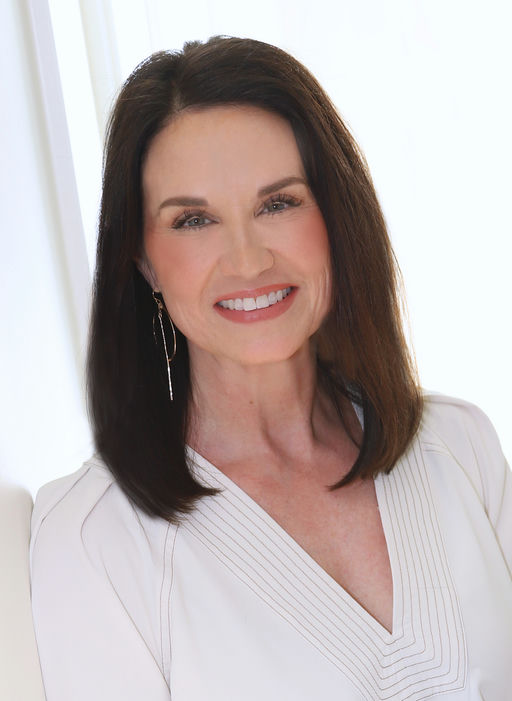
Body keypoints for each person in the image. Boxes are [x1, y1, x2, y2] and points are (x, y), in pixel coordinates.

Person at [30, 36, 512, 700]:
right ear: (143, 261)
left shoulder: (459, 445)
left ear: (336, 218)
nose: (247, 260)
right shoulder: (95, 541)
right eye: (193, 219)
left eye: (278, 203)